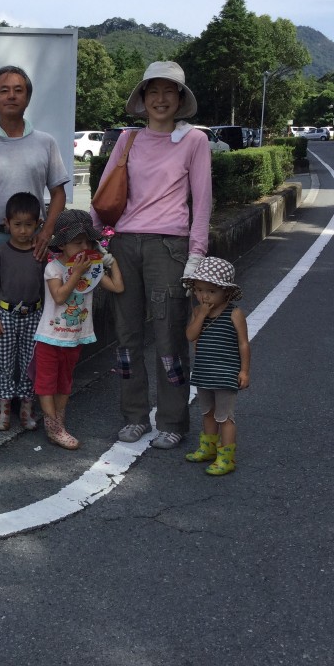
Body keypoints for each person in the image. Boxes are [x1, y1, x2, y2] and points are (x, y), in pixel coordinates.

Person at [98, 61, 212, 450]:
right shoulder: (128, 139)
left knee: (169, 337)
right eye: (153, 91)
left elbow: (203, 201)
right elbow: (104, 196)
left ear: (180, 99)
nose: (160, 99)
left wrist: (196, 256)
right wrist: (87, 238)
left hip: (170, 247)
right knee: (127, 337)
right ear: (143, 99)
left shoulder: (195, 140)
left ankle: (173, 419)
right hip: (124, 244)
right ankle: (134, 416)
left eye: (168, 91)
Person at [0, 66, 69, 422]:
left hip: (34, 244)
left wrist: (47, 231)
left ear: (28, 97)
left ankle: (25, 392)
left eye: (19, 89)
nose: (11, 95)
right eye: (4, 90)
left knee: (32, 321)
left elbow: (58, 193)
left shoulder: (45, 142)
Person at [32, 209, 124, 450]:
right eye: (77, 242)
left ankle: (60, 424)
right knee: (46, 384)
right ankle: (53, 427)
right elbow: (60, 296)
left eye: (89, 241)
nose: (84, 246)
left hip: (74, 337)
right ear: (62, 245)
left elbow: (116, 286)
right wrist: (78, 274)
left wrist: (109, 262)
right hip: (50, 337)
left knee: (64, 383)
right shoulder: (53, 269)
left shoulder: (92, 268)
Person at [183, 257, 250, 476]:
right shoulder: (197, 312)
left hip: (226, 374)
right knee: (207, 412)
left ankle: (226, 456)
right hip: (203, 373)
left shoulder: (234, 314)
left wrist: (244, 371)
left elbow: (243, 344)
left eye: (212, 291)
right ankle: (208, 448)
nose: (204, 296)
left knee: (225, 417)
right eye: (200, 290)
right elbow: (190, 335)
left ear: (226, 293)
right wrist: (201, 314)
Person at [0, 191, 45, 432]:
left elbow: (46, 285)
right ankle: (4, 409)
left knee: (30, 363)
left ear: (37, 225)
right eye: (17, 225)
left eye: (29, 225)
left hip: (34, 316)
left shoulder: (40, 252)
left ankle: (27, 408)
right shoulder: (1, 252)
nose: (23, 231)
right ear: (6, 224)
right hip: (5, 316)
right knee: (4, 365)